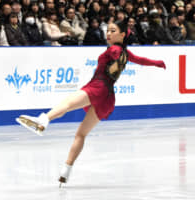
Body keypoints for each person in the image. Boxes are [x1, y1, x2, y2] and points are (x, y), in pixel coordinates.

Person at [16, 20, 166, 186]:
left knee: (67, 103)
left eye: (113, 31)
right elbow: (141, 60)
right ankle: (66, 171)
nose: (108, 33)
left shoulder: (115, 49)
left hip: (98, 86)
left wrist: (118, 60)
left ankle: (43, 120)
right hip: (107, 96)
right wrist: (157, 63)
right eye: (107, 30)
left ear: (122, 35)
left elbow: (118, 56)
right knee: (81, 134)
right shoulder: (125, 51)